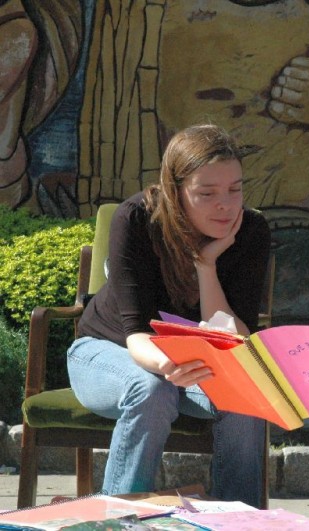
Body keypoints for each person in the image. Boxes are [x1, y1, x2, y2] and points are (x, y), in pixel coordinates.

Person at [66, 124, 271, 507]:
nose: (226, 205)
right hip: (108, 353)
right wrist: (168, 365)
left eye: (235, 189)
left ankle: (240, 518)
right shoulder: (136, 220)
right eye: (207, 193)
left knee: (247, 391)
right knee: (151, 389)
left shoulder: (251, 230)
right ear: (175, 192)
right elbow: (136, 334)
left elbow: (235, 340)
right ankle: (121, 517)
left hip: (191, 363)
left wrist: (205, 266)